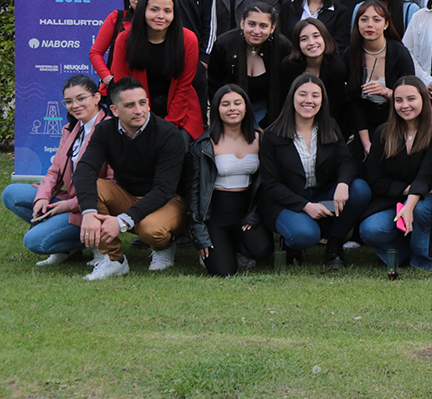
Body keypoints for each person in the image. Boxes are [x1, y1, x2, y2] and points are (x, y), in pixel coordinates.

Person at [73, 78, 188, 280]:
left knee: (151, 230)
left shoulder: (168, 134)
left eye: (143, 103)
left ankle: (165, 247)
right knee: (94, 187)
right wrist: (89, 212)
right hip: (127, 195)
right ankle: (115, 260)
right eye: (130, 105)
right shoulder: (104, 130)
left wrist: (122, 221)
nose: (139, 110)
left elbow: (164, 189)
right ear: (115, 110)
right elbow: (85, 168)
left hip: (167, 200)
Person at [259, 73, 370, 270]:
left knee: (359, 189)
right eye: (303, 94)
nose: (309, 100)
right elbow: (271, 185)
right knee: (305, 235)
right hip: (287, 202)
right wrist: (305, 206)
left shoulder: (330, 126)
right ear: (292, 97)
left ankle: (335, 245)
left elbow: (347, 161)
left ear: (322, 100)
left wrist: (343, 184)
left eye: (315, 96)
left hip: (321, 196)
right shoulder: (272, 135)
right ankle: (292, 240)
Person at [1, 76, 109, 266]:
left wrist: (68, 206)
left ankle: (97, 243)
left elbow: (111, 186)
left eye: (81, 98)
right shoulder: (71, 128)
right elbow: (54, 171)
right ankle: (68, 248)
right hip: (69, 200)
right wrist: (42, 197)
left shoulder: (110, 130)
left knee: (34, 241)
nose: (75, 105)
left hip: (95, 206)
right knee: (11, 194)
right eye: (69, 101)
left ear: (97, 97)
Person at [358, 77, 432, 270]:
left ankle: (424, 261)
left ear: (423, 99)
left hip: (427, 198)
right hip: (393, 196)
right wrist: (407, 190)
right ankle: (403, 254)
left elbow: (427, 174)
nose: (405, 105)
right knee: (370, 230)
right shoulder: (383, 133)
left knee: (419, 209)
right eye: (399, 100)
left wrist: (410, 203)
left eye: (411, 99)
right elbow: (375, 178)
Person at [184, 84, 274, 277]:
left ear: (246, 108)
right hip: (215, 217)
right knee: (223, 272)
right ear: (217, 109)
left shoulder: (261, 139)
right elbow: (193, 193)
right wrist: (199, 233)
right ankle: (220, 248)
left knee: (262, 250)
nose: (232, 108)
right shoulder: (203, 145)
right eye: (225, 104)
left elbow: (267, 184)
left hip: (245, 214)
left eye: (237, 103)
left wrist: (255, 215)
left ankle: (236, 247)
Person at [111, 0, 204, 139]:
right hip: (137, 110)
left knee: (178, 142)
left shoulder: (188, 40)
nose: (161, 16)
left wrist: (168, 125)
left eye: (167, 11)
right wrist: (145, 120)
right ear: (142, 11)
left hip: (181, 110)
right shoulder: (124, 40)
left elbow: (184, 86)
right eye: (154, 10)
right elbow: (123, 84)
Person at [347, 0, 416, 157]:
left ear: (386, 24)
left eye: (376, 19)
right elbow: (354, 102)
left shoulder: (400, 53)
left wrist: (386, 92)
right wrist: (366, 143)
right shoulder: (351, 54)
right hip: (364, 124)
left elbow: (413, 97)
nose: (369, 25)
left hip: (397, 122)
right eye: (364, 19)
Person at [208, 2, 290, 127]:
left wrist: (269, 125)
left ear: (272, 28)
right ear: (242, 23)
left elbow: (286, 90)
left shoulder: (283, 47)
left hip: (270, 110)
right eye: (251, 24)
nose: (256, 31)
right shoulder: (224, 45)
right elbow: (214, 85)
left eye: (263, 26)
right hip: (231, 109)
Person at [279, 18, 349, 132]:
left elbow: (334, 108)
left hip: (330, 124)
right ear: (297, 44)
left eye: (316, 36)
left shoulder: (337, 68)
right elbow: (283, 102)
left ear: (325, 37)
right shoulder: (288, 65)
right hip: (292, 123)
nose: (311, 42)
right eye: (304, 39)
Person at [90, 0, 148, 94]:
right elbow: (95, 53)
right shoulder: (117, 18)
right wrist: (108, 80)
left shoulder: (161, 22)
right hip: (119, 89)